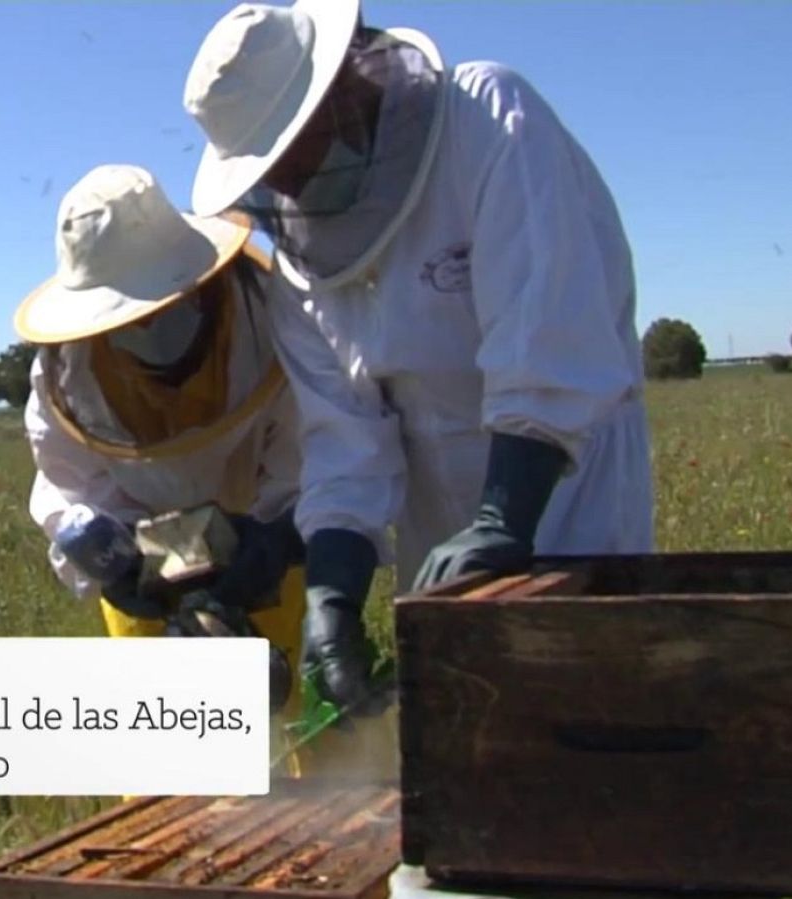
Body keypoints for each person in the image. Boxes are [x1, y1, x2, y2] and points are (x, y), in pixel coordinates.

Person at [180, 0, 656, 712]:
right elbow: (347, 447)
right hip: (438, 538)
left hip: (572, 495)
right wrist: (332, 601)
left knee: (588, 726)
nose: (286, 186)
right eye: (270, 171)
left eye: (291, 155)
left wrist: (502, 518)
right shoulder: (304, 276)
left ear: (343, 88)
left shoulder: (490, 122)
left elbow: (549, 341)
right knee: (465, 749)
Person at [16, 164, 396, 776]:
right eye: (125, 316)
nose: (143, 326)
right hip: (148, 566)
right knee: (164, 775)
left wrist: (272, 545)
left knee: (325, 742)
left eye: (155, 307)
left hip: (269, 549)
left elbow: (313, 461)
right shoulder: (67, 374)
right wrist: (118, 567)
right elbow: (70, 484)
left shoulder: (271, 323)